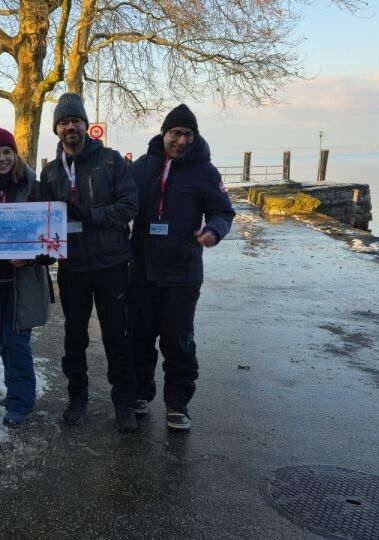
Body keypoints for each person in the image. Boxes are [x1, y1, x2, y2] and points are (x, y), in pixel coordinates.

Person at [127, 104, 235, 431]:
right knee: (139, 339)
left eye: (188, 134)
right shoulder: (142, 168)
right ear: (164, 134)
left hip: (182, 273)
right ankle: (140, 394)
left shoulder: (206, 172)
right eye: (176, 133)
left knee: (178, 342)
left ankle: (177, 404)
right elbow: (122, 203)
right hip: (142, 270)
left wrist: (214, 231)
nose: (182, 141)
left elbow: (223, 212)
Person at [39, 93, 140, 433]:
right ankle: (77, 397)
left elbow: (129, 206)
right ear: (57, 129)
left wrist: (91, 215)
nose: (71, 126)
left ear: (86, 125)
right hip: (72, 269)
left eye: (76, 121)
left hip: (111, 265)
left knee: (117, 336)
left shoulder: (111, 162)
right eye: (64, 122)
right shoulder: (50, 172)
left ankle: (123, 402)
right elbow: (43, 220)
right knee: (74, 337)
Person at [0, 127, 52, 429]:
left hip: (25, 281)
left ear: (15, 153)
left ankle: (22, 402)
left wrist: (32, 255)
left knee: (18, 342)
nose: (2, 158)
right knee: (3, 341)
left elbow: (51, 240)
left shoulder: (33, 186)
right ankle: (15, 392)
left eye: (7, 151)